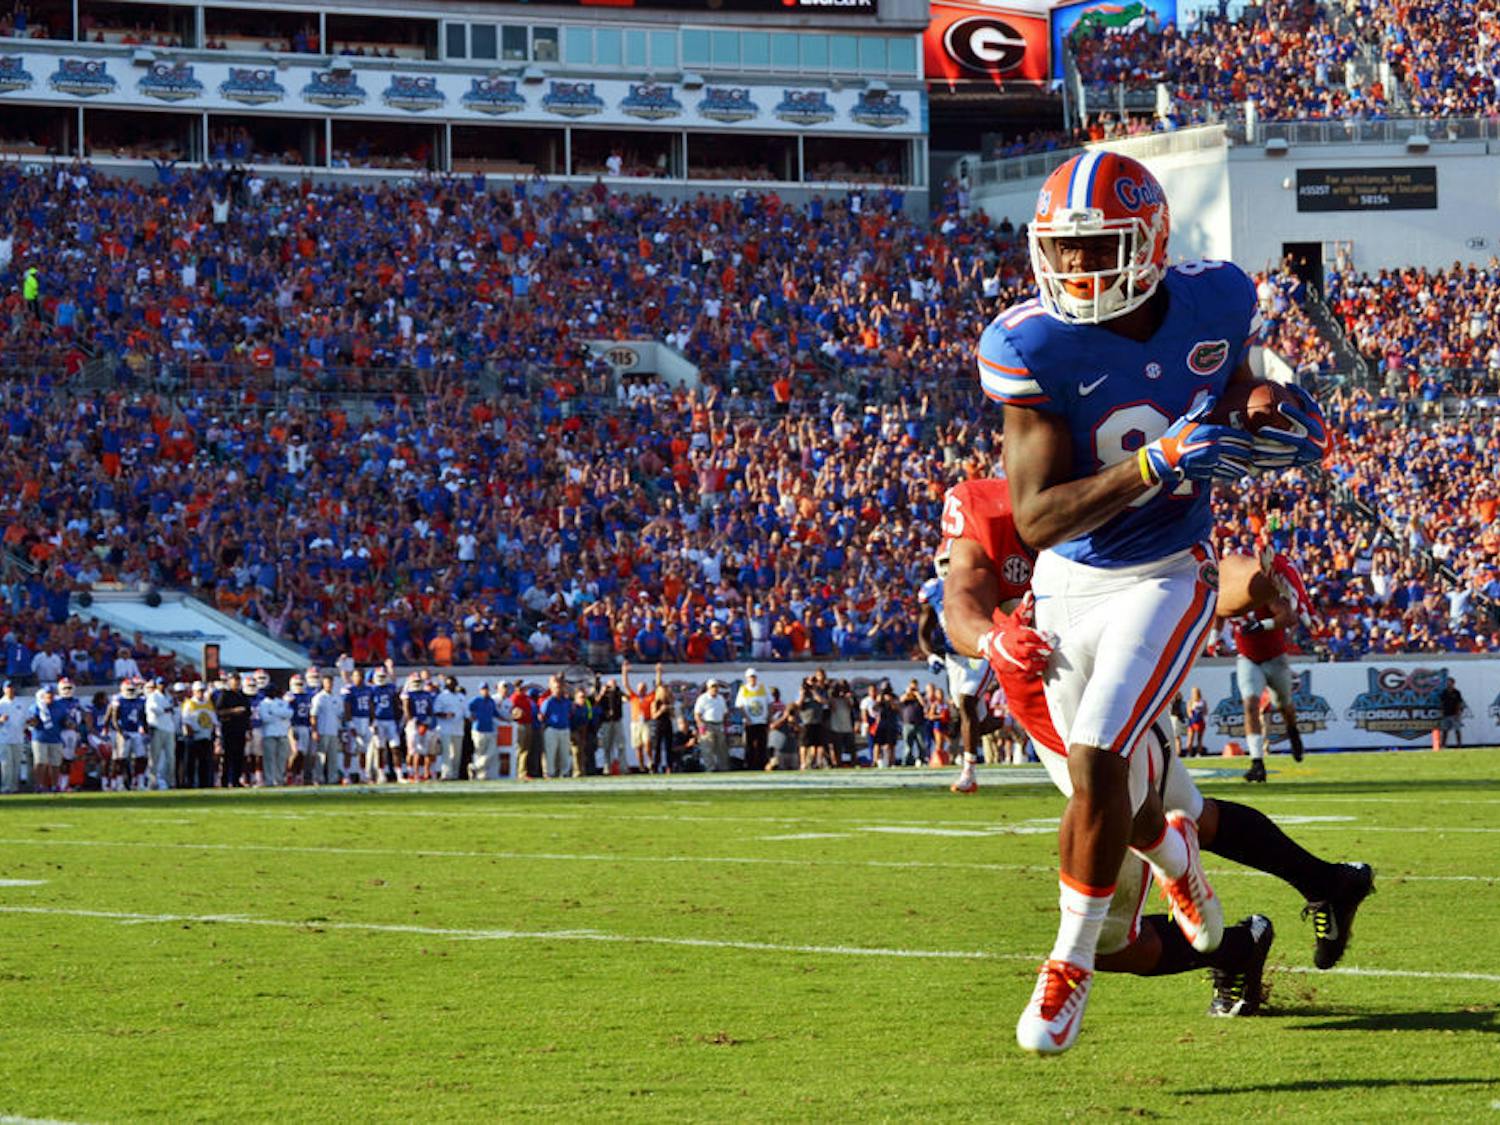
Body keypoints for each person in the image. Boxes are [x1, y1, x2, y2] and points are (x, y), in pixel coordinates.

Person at [979, 151, 1330, 1053]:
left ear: (1149, 241)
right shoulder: (1032, 343)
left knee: (1101, 756)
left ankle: (1067, 966)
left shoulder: (1215, 296)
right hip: (1068, 582)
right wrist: (1154, 463)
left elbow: (1241, 371)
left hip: (1168, 571)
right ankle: (1180, 864)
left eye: (1098, 247)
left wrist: (1265, 397)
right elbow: (1037, 517)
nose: (1078, 270)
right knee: (1119, 798)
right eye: (1064, 250)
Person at [939, 472, 1374, 1026]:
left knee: (1111, 940)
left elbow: (1209, 572)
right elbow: (961, 602)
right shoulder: (990, 507)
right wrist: (989, 637)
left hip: (1114, 720)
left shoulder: (1117, 496)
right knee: (1188, 815)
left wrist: (1260, 583)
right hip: (1063, 726)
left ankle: (1236, 945)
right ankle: (1324, 885)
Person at [1233, 549, 1312, 782]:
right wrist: (1213, 636)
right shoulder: (1230, 592)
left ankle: (1293, 731)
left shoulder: (1265, 592)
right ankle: (1257, 762)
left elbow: (1288, 616)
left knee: (1284, 705)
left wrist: (1262, 625)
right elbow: (1218, 610)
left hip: (1274, 658)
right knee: (1250, 704)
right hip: (1247, 657)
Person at [918, 565, 992, 790]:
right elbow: (923, 631)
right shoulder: (934, 591)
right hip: (954, 659)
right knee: (975, 718)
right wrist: (930, 655)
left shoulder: (979, 581)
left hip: (980, 652)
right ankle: (1019, 722)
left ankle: (969, 773)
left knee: (967, 701)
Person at [214, 673, 252, 788]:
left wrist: (248, 729)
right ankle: (224, 781)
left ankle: (236, 780)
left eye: (238, 682)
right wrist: (233, 711)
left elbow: (248, 713)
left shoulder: (243, 696)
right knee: (228, 756)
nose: (236, 684)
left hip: (240, 729)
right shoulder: (225, 695)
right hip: (229, 729)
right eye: (234, 682)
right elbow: (219, 712)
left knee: (239, 757)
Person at [180, 682, 218, 789]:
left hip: (206, 737)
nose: (201, 693)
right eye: (199, 691)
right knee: (190, 763)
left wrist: (213, 734)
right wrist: (191, 734)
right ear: (194, 692)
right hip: (194, 737)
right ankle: (189, 783)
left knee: (205, 762)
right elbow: (186, 721)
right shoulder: (189, 703)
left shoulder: (208, 703)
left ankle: (204, 783)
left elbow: (214, 720)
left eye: (202, 691)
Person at [144, 677, 178, 790]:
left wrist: (167, 709)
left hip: (169, 729)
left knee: (171, 758)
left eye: (164, 684)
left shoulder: (169, 696)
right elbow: (156, 710)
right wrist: (167, 709)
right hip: (157, 728)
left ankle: (171, 782)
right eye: (160, 684)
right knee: (155, 758)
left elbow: (174, 709)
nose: (162, 686)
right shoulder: (153, 697)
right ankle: (152, 783)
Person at [256, 683, 292, 787]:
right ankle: (269, 780)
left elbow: (289, 714)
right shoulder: (263, 704)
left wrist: (275, 713)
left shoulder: (282, 702)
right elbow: (265, 718)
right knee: (269, 758)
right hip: (269, 734)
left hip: (282, 733)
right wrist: (280, 716)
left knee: (282, 758)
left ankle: (279, 779)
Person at [310, 675, 343, 785]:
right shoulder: (319, 698)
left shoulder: (336, 698)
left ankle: (332, 778)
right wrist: (314, 730)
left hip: (333, 731)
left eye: (330, 683)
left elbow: (339, 714)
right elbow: (313, 715)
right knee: (320, 756)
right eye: (327, 683)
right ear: (323, 684)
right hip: (322, 730)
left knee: (333, 757)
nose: (329, 685)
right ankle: (318, 778)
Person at [734, 668, 770, 770]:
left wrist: (768, 717)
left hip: (761, 721)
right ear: (747, 678)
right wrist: (747, 718)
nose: (752, 679)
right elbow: (740, 706)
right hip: (750, 722)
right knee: (749, 745)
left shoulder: (763, 687)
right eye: (750, 677)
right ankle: (750, 765)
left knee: (762, 744)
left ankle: (761, 765)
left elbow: (769, 703)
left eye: (754, 677)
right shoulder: (743, 689)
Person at [540, 675, 573, 779]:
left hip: (564, 729)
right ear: (552, 689)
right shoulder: (548, 701)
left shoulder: (567, 702)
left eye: (560, 687)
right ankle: (550, 773)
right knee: (551, 753)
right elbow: (542, 716)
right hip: (552, 729)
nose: (559, 689)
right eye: (556, 687)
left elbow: (570, 713)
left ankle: (565, 772)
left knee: (564, 753)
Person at [693, 679, 729, 772]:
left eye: (716, 686)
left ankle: (723, 768)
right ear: (708, 688)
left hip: (719, 724)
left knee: (722, 748)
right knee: (707, 748)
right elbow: (697, 714)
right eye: (713, 687)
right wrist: (700, 725)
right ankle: (710, 768)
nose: (715, 689)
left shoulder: (721, 698)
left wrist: (725, 725)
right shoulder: (702, 698)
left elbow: (725, 713)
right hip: (707, 724)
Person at [468, 682, 501, 780]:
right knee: (480, 753)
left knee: (491, 752)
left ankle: (474, 767)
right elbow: (467, 709)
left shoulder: (491, 701)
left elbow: (495, 713)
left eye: (486, 689)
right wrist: (470, 716)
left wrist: (507, 718)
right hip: (478, 729)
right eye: (483, 689)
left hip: (489, 729)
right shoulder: (476, 700)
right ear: (480, 690)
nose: (485, 691)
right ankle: (480, 775)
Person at [0, 681, 28, 793]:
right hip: (3, 738)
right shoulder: (1, 703)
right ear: (4, 689)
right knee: (6, 764)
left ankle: (14, 787)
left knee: (16, 763)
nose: (10, 689)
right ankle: (6, 787)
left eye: (12, 687)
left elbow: (25, 720)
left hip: (18, 738)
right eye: (8, 687)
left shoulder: (20, 703)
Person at [1439, 680, 1466, 747]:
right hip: (1446, 714)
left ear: (1453, 684)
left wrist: (1458, 713)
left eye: (1450, 683)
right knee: (1445, 731)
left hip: (1454, 714)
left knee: (1457, 730)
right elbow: (1442, 703)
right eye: (1447, 683)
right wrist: (1442, 713)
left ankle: (1459, 744)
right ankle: (1443, 745)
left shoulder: (1457, 692)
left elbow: (1459, 703)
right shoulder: (1444, 692)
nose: (1449, 684)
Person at [1185, 686, 1208, 757]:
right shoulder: (1190, 701)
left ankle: (1198, 753)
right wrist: (1193, 714)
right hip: (1192, 722)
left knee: (1199, 739)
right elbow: (1189, 713)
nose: (1195, 694)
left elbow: (1206, 712)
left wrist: (1201, 711)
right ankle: (1189, 753)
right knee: (1190, 738)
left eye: (1196, 692)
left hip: (1200, 721)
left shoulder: (1203, 701)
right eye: (1193, 692)